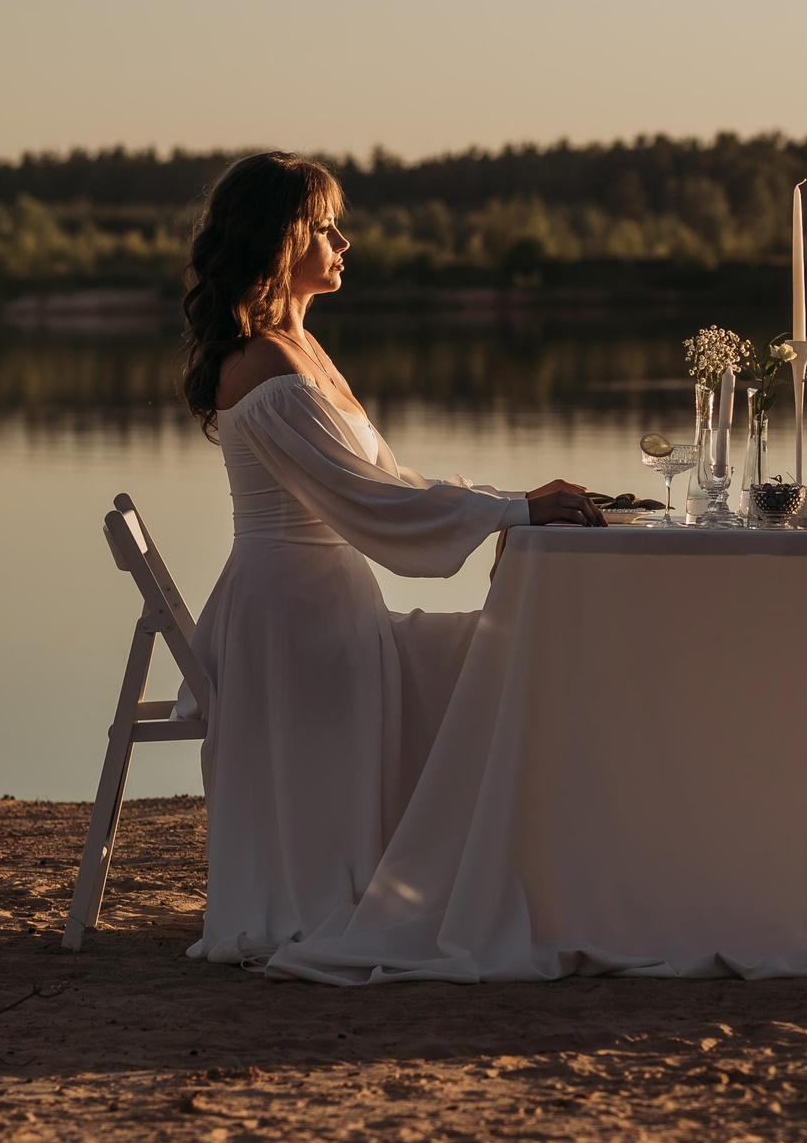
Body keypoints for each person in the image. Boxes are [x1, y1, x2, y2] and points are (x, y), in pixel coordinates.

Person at [175, 151, 602, 965]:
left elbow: (391, 484)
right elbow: (370, 503)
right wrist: (514, 508)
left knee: (494, 647)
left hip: (332, 607)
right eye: (324, 226)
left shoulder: (302, 348)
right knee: (489, 655)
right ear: (280, 239)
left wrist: (510, 502)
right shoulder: (264, 366)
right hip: (294, 626)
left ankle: (523, 865)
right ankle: (442, 880)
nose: (343, 241)